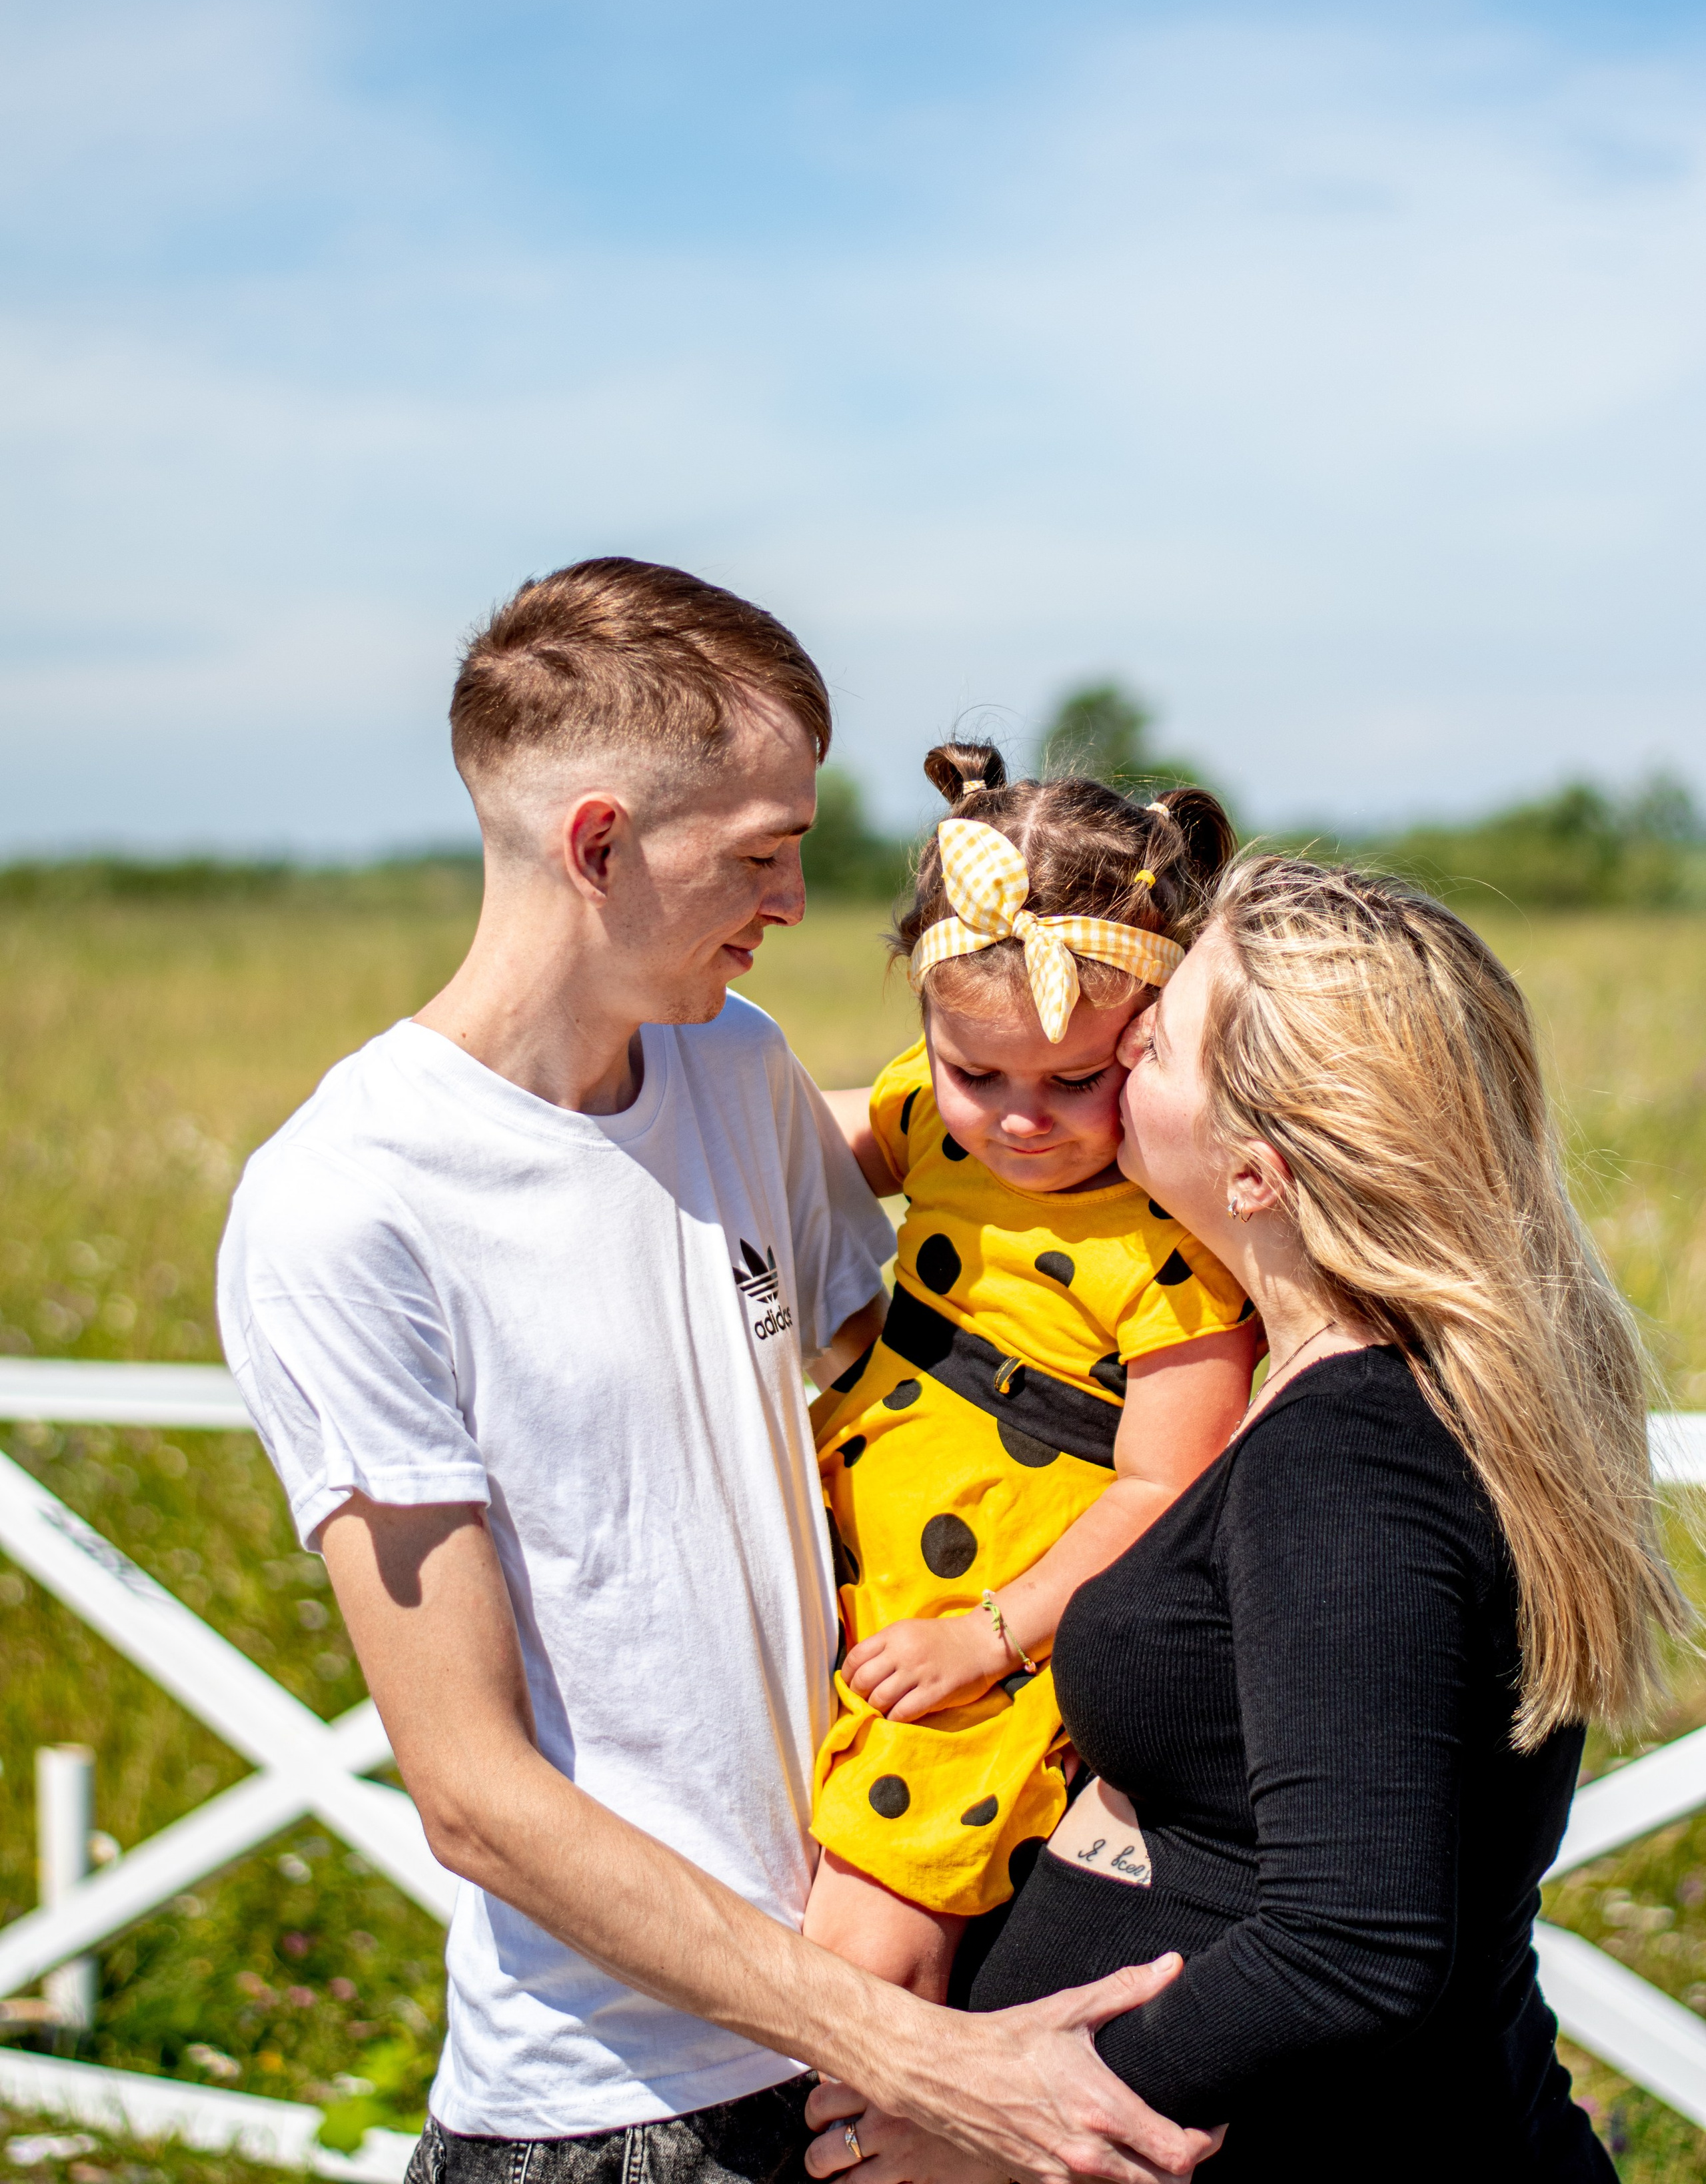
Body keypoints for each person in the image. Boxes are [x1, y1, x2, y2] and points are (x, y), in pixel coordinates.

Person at [217, 558, 1221, 2184]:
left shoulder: (732, 1068)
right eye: (760, 855)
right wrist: (912, 2050)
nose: (796, 906)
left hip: (893, 2022)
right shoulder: (350, 1205)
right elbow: (471, 1794)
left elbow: (935, 1401)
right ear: (598, 843)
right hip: (626, 2112)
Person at [805, 853, 1687, 2183]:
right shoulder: (1355, 1401)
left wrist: (1021, 2116)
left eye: (1143, 1051)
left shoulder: (1350, 1453)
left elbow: (1352, 1942)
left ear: (1258, 1170)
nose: (1098, 1076)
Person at [804, 744, 1259, 2001]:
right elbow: (781, 1137)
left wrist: (990, 1639)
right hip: (842, 1576)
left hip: (990, 1630)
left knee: (868, 1957)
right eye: (975, 1073)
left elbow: (1162, 1490)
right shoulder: (927, 1121)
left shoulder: (1174, 1242)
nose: (1019, 1117)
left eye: (1076, 1080)